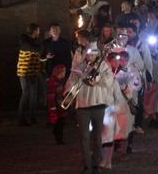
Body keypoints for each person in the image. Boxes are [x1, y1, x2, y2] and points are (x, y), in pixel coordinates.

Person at [65, 40, 114, 173]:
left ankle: (95, 163)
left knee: (97, 137)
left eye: (93, 54)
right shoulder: (79, 66)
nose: (90, 57)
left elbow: (109, 82)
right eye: (88, 54)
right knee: (84, 137)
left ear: (97, 54)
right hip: (82, 105)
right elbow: (72, 81)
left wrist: (96, 79)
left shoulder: (103, 66)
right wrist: (68, 94)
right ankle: (87, 164)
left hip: (98, 104)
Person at [17, 23, 43, 126]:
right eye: (38, 31)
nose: (39, 33)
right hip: (25, 72)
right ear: (34, 31)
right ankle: (21, 118)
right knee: (26, 94)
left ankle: (33, 117)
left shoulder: (32, 42)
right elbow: (37, 50)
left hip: (33, 72)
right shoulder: (25, 42)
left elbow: (38, 54)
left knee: (33, 96)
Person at [46, 64, 67, 144]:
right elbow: (52, 95)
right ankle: (59, 138)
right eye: (63, 72)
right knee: (59, 122)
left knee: (61, 121)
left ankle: (58, 135)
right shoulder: (53, 82)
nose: (64, 73)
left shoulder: (60, 81)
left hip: (60, 105)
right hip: (56, 106)